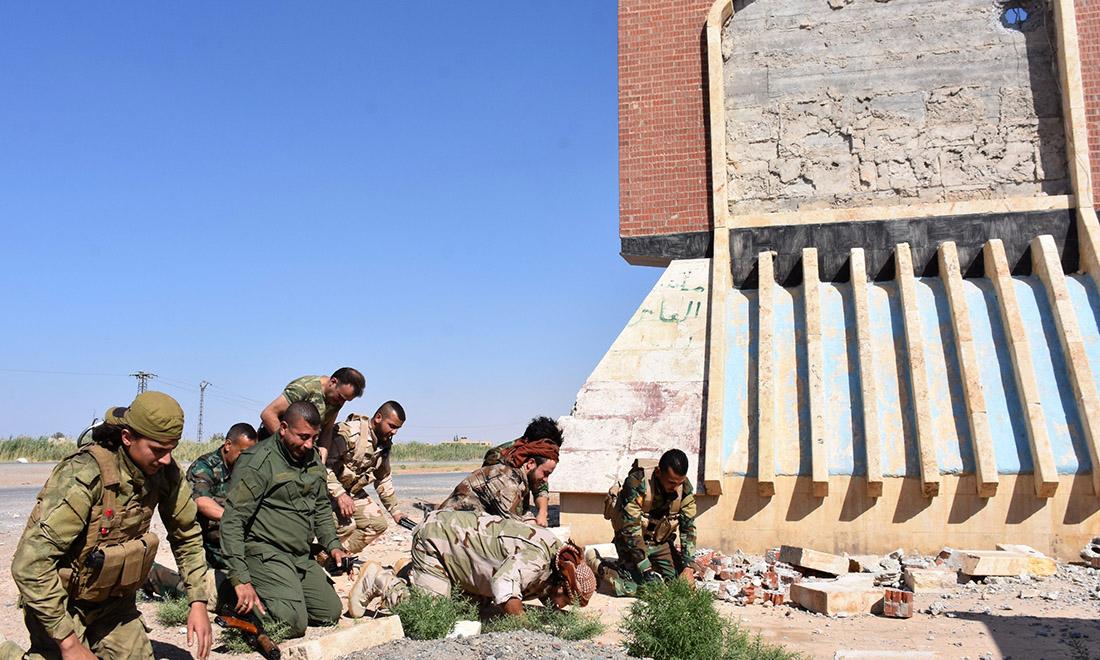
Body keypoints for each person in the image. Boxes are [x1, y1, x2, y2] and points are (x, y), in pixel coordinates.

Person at [10, 391, 211, 660]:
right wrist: (69, 643)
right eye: (158, 450)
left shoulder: (165, 472)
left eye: (171, 449)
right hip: (61, 602)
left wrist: (197, 601)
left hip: (114, 604)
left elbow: (186, 534)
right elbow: (30, 564)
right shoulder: (85, 474)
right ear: (127, 437)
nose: (166, 459)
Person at [220, 401, 350, 637]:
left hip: (299, 555)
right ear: (283, 428)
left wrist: (333, 545)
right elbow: (232, 521)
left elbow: (321, 505)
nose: (308, 444)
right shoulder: (258, 461)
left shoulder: (311, 458)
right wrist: (240, 579)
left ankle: (281, 594)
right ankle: (230, 595)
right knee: (292, 623)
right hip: (266, 553)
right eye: (303, 437)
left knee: (329, 612)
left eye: (313, 437)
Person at [346, 510, 595, 618]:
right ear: (561, 586)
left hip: (463, 559)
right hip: (437, 540)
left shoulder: (557, 558)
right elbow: (504, 586)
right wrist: (524, 627)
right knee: (433, 615)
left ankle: (414, 574)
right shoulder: (536, 562)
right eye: (566, 601)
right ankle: (380, 581)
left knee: (472, 609)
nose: (563, 606)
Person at [144, 423, 260, 606]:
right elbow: (201, 501)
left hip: (231, 546)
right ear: (228, 445)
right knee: (206, 597)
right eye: (243, 453)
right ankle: (153, 575)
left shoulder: (247, 470)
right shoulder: (205, 467)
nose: (248, 459)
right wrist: (234, 519)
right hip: (203, 548)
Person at [602, 449, 697, 596]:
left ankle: (655, 566)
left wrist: (688, 568)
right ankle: (601, 567)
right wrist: (646, 570)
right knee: (638, 587)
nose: (675, 488)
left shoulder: (684, 488)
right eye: (671, 483)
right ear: (658, 472)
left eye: (679, 483)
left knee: (680, 585)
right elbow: (630, 529)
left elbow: (688, 527)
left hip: (660, 543)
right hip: (631, 544)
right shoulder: (636, 482)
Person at [325, 401, 408, 555]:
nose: (395, 432)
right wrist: (340, 494)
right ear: (378, 418)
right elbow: (322, 466)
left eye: (398, 428)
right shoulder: (349, 433)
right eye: (392, 426)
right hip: (327, 490)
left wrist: (396, 512)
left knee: (377, 524)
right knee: (346, 526)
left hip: (350, 491)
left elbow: (383, 479)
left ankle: (337, 557)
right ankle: (320, 556)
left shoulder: (383, 445)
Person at [436, 438, 559, 521]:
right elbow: (515, 527)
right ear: (531, 463)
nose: (546, 480)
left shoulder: (520, 479)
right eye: (545, 473)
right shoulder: (507, 481)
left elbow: (522, 513)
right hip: (446, 530)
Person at [258, 367, 365, 461]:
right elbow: (268, 414)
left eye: (346, 400)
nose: (341, 403)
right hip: (275, 447)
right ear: (333, 382)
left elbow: (327, 430)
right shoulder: (304, 388)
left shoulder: (336, 400)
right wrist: (287, 447)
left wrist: (321, 461)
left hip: (303, 451)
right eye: (340, 397)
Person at [481, 416, 563, 526]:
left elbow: (540, 487)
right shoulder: (499, 458)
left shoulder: (537, 456)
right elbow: (503, 505)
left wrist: (542, 513)